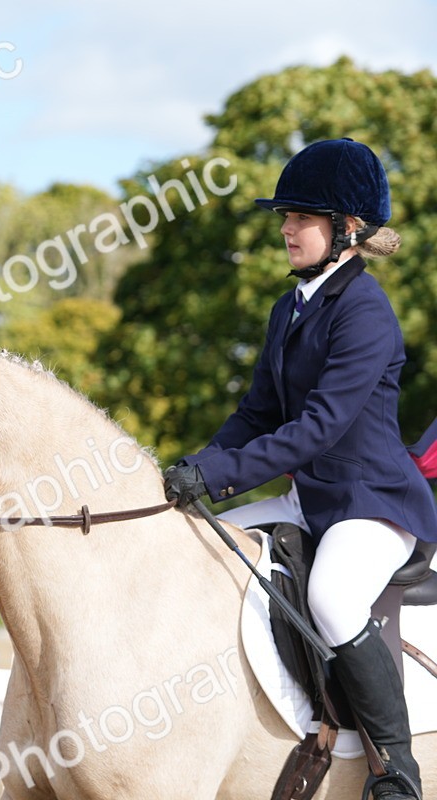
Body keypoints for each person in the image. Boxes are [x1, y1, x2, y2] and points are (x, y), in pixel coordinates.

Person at [163, 138, 434, 800]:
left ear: (346, 228)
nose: (286, 227)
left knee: (332, 598)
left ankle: (395, 770)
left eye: (301, 216)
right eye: (285, 215)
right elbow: (257, 413)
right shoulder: (291, 307)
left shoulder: (366, 311)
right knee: (199, 544)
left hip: (370, 504)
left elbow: (316, 429)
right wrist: (194, 471)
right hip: (307, 499)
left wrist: (222, 475)